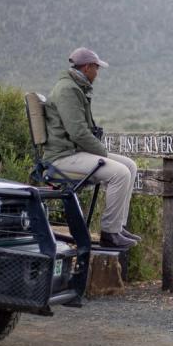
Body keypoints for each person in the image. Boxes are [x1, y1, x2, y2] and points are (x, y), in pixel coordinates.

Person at [42, 47, 140, 249]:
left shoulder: (75, 88)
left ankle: (118, 227)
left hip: (73, 151)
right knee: (120, 173)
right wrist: (103, 153)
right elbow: (78, 132)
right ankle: (109, 234)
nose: (97, 73)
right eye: (96, 68)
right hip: (62, 157)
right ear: (87, 68)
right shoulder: (68, 90)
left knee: (130, 165)